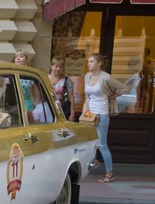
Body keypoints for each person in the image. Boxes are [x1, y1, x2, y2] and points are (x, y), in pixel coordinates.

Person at [83, 53, 129, 183]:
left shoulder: (106, 77)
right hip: (90, 114)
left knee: (102, 145)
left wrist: (111, 96)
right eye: (88, 62)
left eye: (91, 61)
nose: (88, 64)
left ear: (99, 63)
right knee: (89, 142)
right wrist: (85, 108)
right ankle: (87, 167)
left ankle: (110, 173)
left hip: (102, 113)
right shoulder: (87, 76)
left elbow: (124, 88)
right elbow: (87, 96)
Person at [48, 56, 75, 122]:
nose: (58, 69)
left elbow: (71, 98)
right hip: (47, 111)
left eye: (61, 67)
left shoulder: (67, 80)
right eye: (56, 66)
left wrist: (72, 114)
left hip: (62, 112)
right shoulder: (45, 78)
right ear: (51, 66)